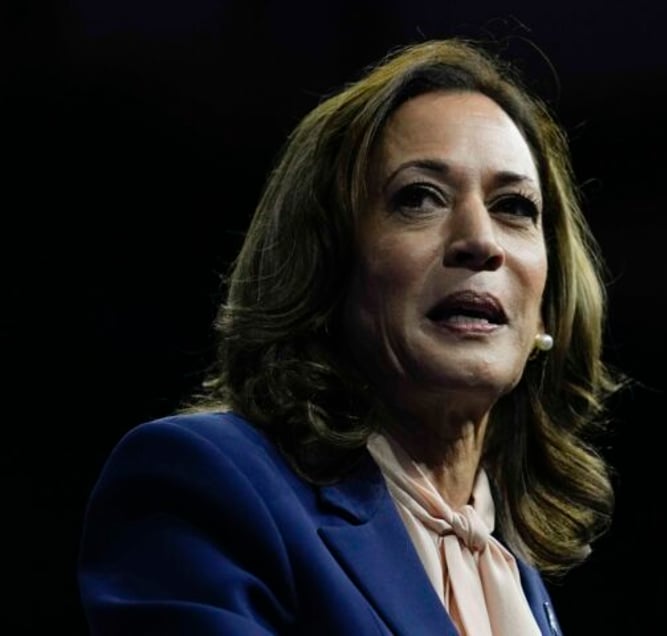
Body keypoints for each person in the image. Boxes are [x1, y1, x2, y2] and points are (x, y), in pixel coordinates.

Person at [78, 37, 621, 635]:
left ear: (545, 311)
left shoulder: (518, 583)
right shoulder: (207, 483)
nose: (480, 241)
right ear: (327, 264)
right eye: (420, 197)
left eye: (514, 206)